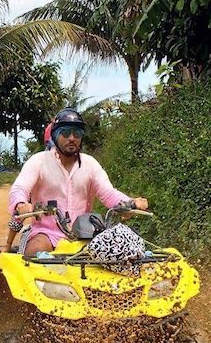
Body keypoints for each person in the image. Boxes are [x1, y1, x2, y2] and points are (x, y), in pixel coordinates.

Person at [9, 107, 149, 258]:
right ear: (55, 135)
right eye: (66, 132)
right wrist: (21, 204)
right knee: (33, 253)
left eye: (77, 133)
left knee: (117, 255)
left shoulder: (90, 164)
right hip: (47, 233)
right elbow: (19, 187)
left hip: (85, 233)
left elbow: (108, 193)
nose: (72, 138)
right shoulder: (39, 161)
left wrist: (130, 202)